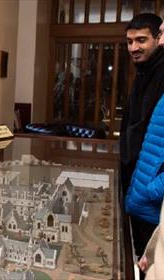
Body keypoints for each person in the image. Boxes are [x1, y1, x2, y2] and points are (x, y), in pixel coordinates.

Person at [121, 13, 164, 277]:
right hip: (141, 192)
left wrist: (152, 189)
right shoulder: (145, 72)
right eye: (129, 42)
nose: (134, 48)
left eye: (141, 40)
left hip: (152, 200)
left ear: (158, 39)